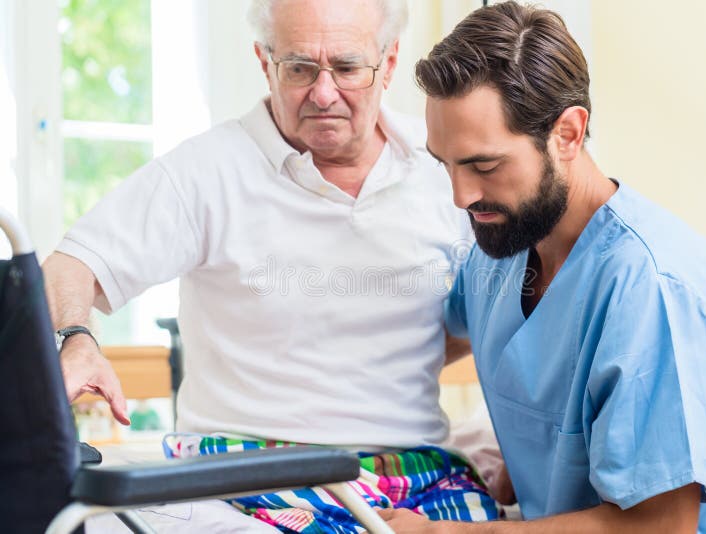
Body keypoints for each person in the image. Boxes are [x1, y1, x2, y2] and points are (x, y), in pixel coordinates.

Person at [42, 0, 501, 530]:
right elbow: (69, 265)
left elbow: (501, 305)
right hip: (243, 468)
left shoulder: (440, 165)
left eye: (348, 68)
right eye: (300, 68)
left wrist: (392, 353)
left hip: (413, 472)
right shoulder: (205, 172)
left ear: (390, 62)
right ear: (265, 61)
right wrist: (77, 337)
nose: (323, 93)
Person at [379, 2, 706, 532]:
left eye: (484, 165)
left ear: (569, 134)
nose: (461, 195)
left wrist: (445, 532)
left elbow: (658, 527)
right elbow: (445, 337)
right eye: (446, 164)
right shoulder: (505, 239)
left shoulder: (653, 287)